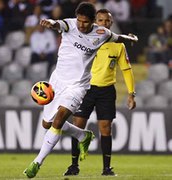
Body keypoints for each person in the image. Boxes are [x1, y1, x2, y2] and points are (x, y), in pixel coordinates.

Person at [23, 2, 138, 178]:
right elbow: (57, 24)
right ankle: (82, 135)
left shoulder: (101, 33)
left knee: (59, 119)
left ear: (93, 21)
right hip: (57, 82)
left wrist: (130, 39)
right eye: (79, 20)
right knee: (47, 124)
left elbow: (117, 37)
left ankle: (36, 163)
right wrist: (50, 23)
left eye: (85, 22)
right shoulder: (69, 25)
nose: (81, 25)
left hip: (78, 86)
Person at [63, 9, 136, 177]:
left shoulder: (118, 45)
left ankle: (106, 168)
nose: (105, 23)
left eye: (108, 21)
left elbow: (126, 69)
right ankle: (74, 166)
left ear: (111, 23)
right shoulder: (85, 40)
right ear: (96, 22)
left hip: (106, 91)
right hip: (85, 88)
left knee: (105, 128)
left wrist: (131, 93)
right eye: (101, 20)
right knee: (77, 126)